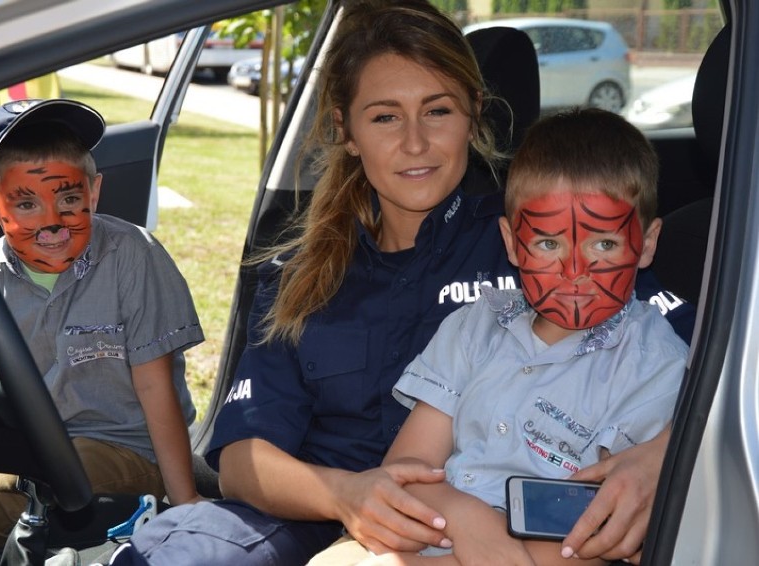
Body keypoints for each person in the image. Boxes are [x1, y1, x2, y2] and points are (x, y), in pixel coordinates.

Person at [107, 2, 693, 565]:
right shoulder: (298, 272)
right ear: (348, 130)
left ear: (473, 114)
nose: (414, 142)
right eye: (385, 116)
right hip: (307, 514)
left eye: (437, 111)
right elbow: (241, 460)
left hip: (483, 527)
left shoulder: (541, 243)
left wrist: (659, 459)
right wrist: (346, 495)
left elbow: (717, 371)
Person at [307, 107, 688, 566]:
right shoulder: (475, 327)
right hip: (436, 528)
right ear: (511, 243)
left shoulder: (655, 363)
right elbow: (405, 473)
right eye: (548, 243)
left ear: (645, 244)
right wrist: (470, 521)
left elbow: (601, 526)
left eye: (603, 244)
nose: (574, 271)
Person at [0, 98, 205, 550]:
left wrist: (184, 501)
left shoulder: (131, 256)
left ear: (94, 192)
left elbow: (154, 386)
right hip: (26, 444)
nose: (52, 221)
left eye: (68, 198)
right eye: (25, 203)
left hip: (123, 447)